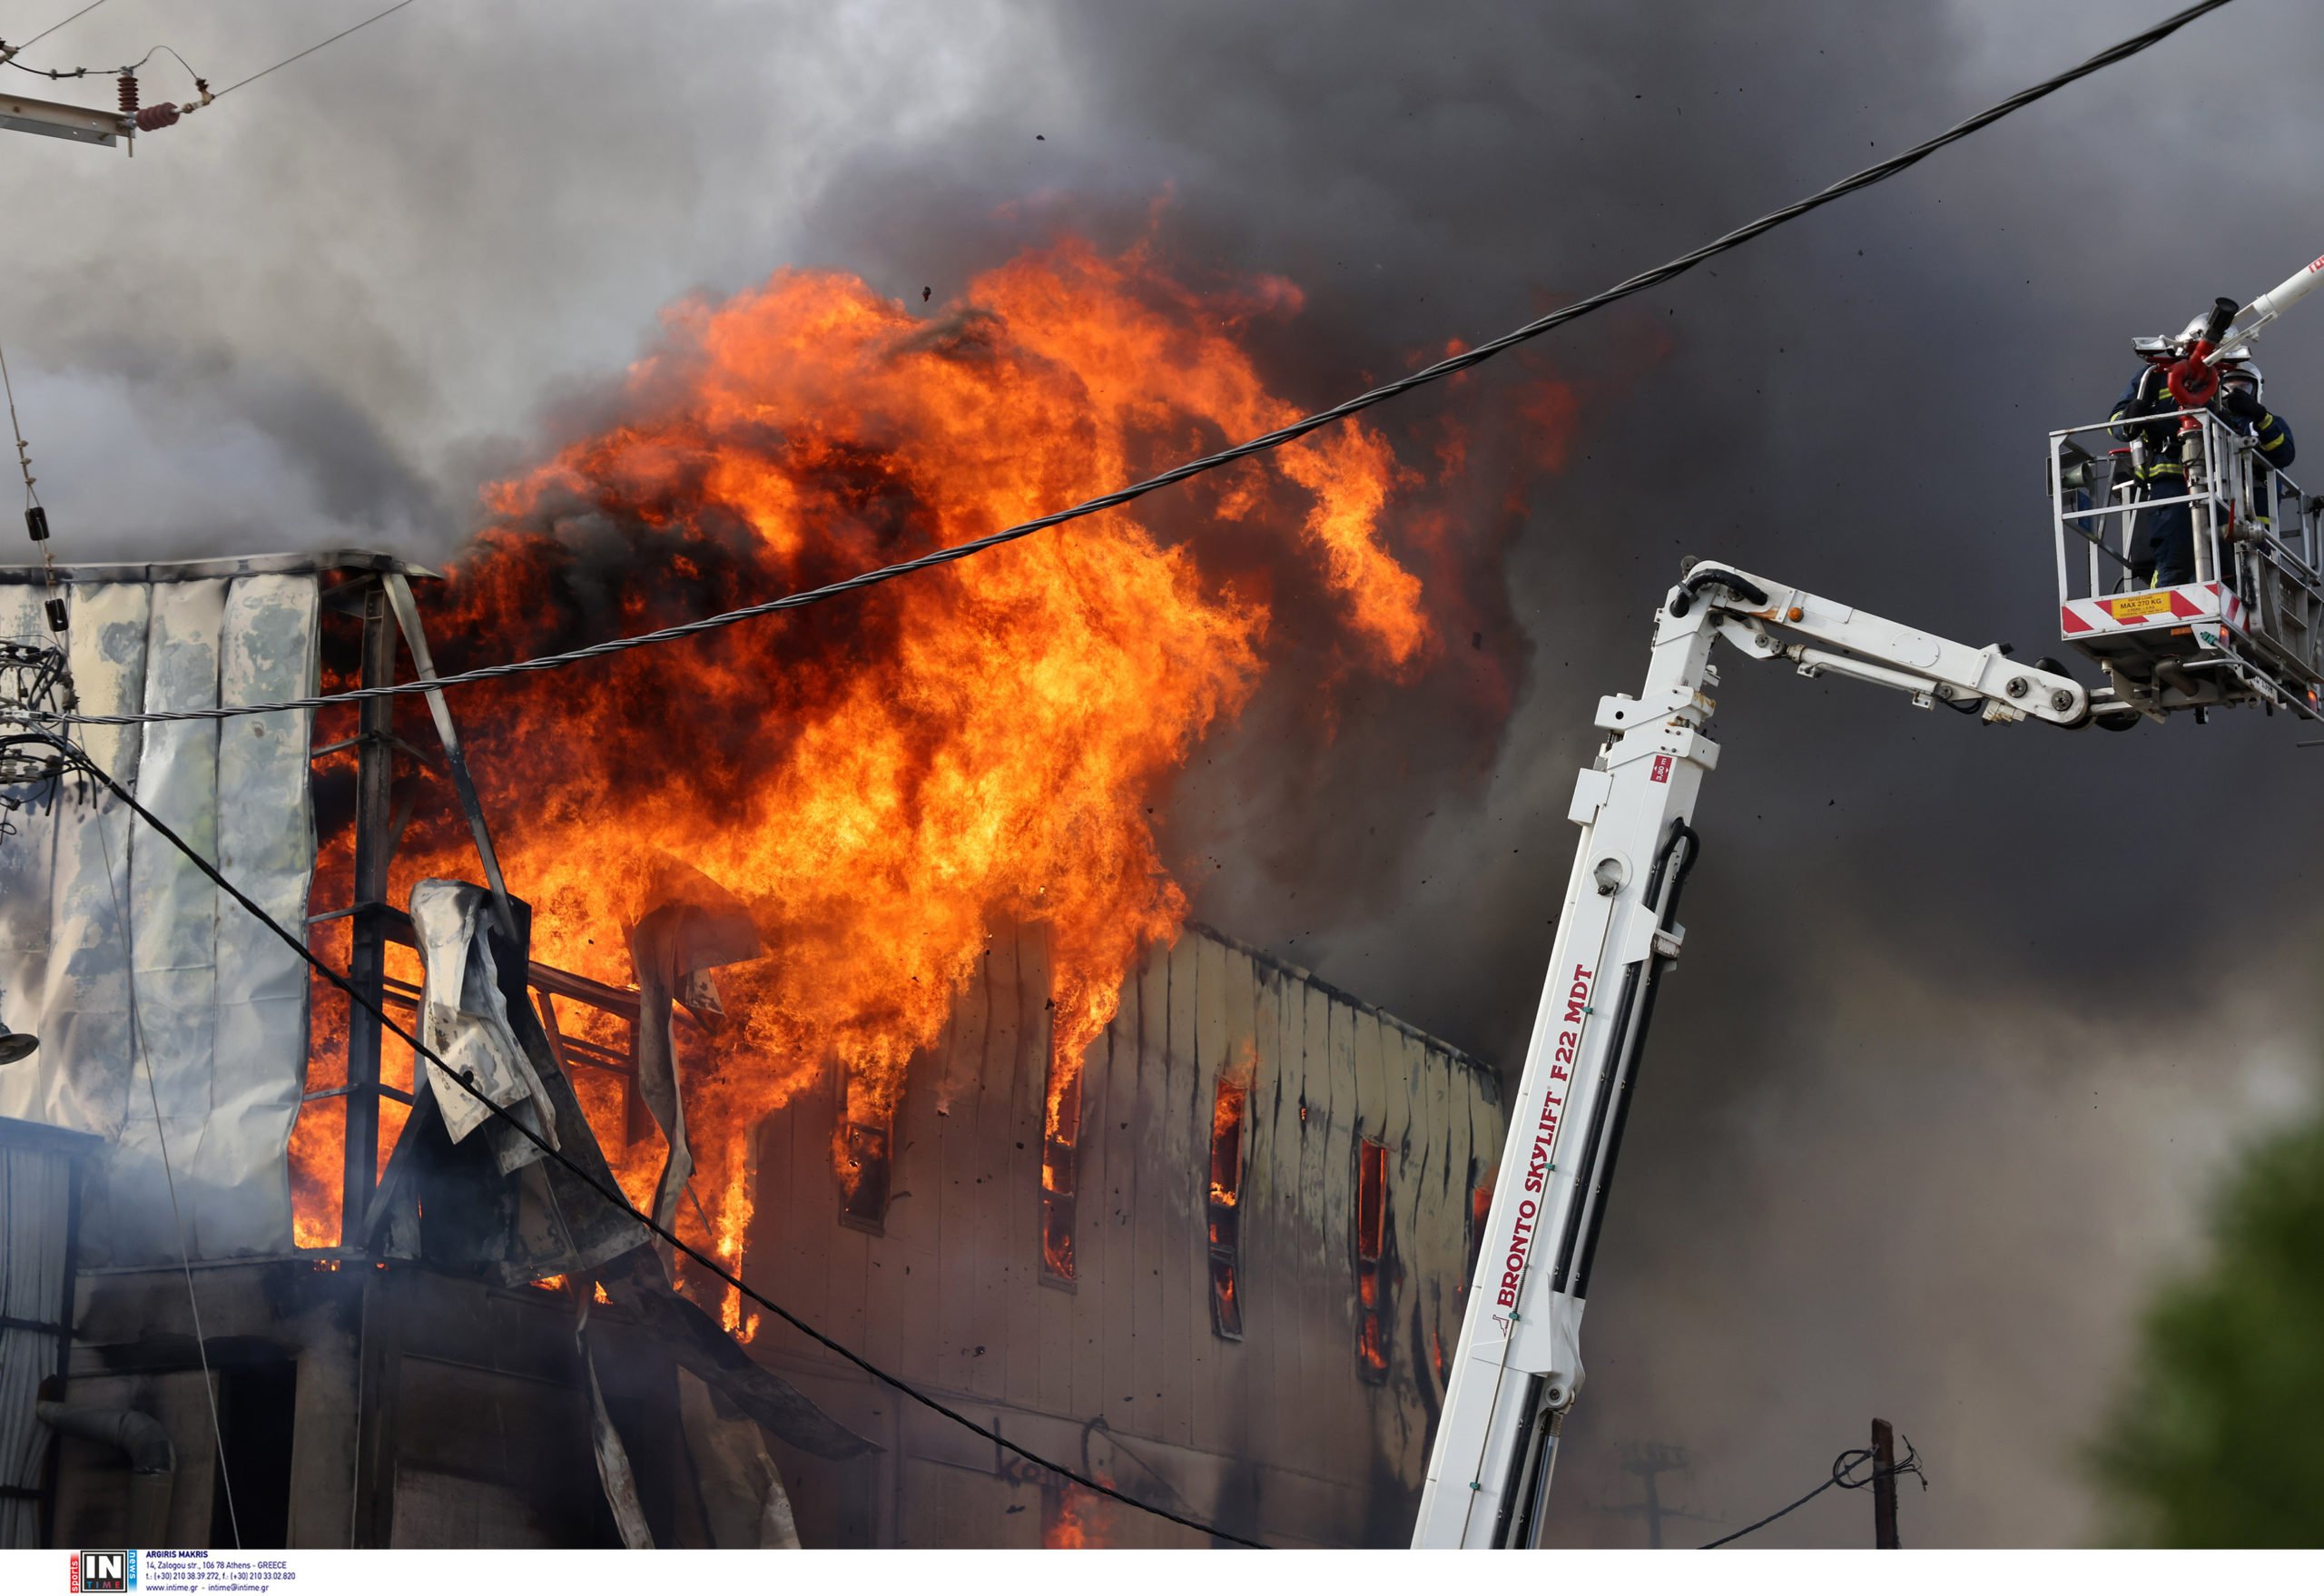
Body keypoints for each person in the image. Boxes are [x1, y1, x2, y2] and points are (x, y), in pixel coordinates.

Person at [2110, 338, 2297, 587]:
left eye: (2244, 387)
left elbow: (2283, 454)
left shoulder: (2260, 424)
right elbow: (2122, 426)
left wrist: (2260, 417)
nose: (2236, 393)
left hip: (2245, 517)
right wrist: (2135, 416)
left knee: (2235, 569)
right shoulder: (2164, 389)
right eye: (2230, 386)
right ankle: (2166, 589)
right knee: (2176, 552)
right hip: (2179, 491)